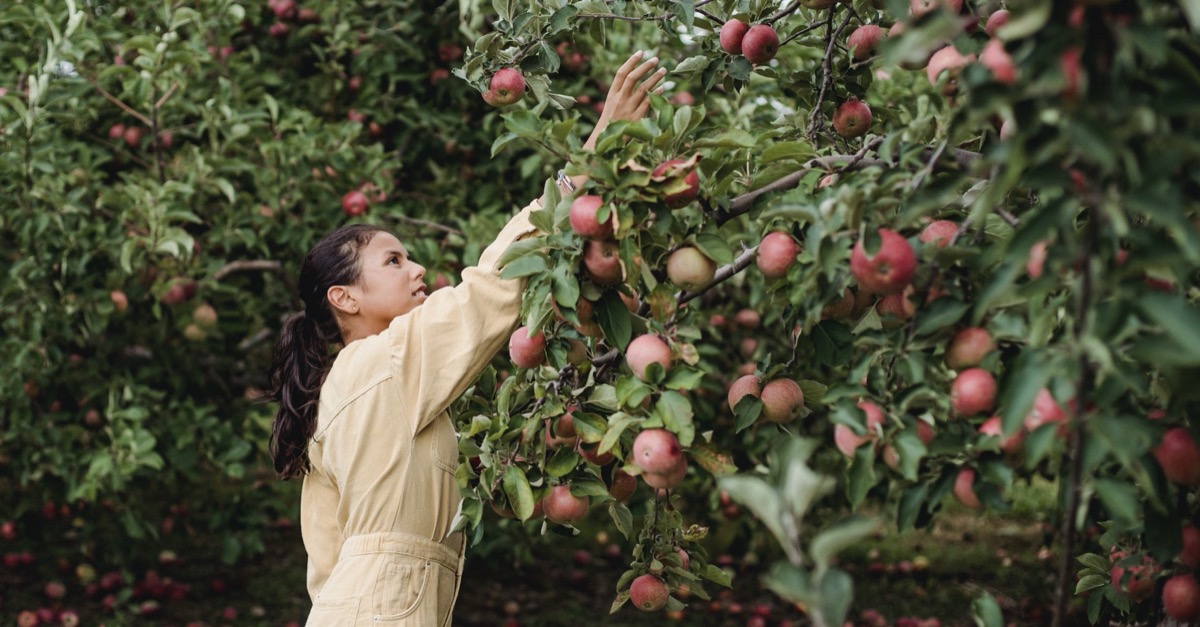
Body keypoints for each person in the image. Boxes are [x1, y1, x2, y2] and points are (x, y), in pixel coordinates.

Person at [265, 51, 666, 626]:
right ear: (344, 297)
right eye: (393, 260)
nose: (418, 269)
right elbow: (491, 287)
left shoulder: (341, 390)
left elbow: (324, 562)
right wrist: (588, 161)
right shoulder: (385, 361)